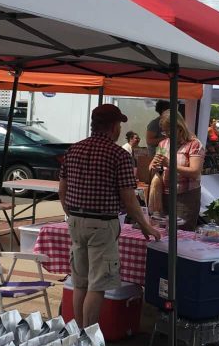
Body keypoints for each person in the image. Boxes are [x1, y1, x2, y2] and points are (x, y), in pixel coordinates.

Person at [59, 104, 160, 328]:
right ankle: (90, 338)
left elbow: (62, 189)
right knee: (97, 285)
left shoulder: (74, 149)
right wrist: (145, 226)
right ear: (114, 127)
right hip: (102, 224)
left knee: (80, 283)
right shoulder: (118, 155)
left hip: (75, 221)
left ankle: (78, 335)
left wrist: (71, 213)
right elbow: (129, 198)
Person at [150, 111, 205, 231]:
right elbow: (154, 168)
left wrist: (169, 164)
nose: (167, 135)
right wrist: (153, 165)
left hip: (185, 198)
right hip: (163, 195)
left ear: (180, 128)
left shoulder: (194, 144)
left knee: (181, 234)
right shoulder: (163, 144)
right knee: (163, 232)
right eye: (164, 131)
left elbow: (195, 172)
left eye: (169, 131)